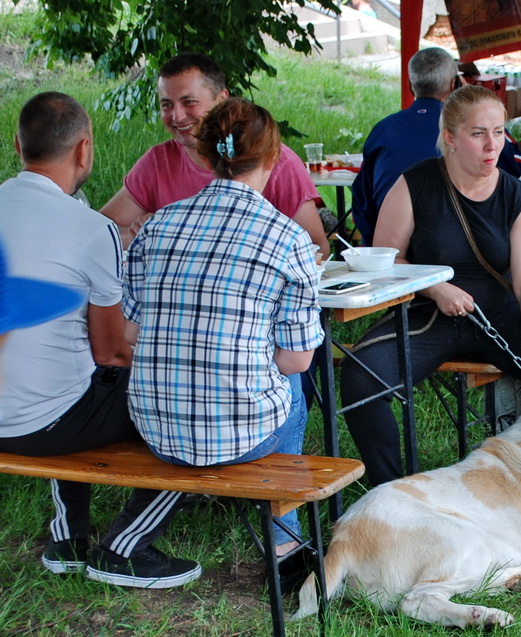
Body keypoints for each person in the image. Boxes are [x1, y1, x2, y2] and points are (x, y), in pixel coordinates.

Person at [0, 92, 200, 588]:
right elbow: (109, 352)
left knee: (66, 379)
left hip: (21, 411)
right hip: (38, 423)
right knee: (182, 403)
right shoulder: (92, 229)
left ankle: (68, 539)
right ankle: (126, 549)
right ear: (85, 150)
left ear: (17, 144)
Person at [341, 85, 521, 486]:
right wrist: (436, 287)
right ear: (450, 138)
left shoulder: (514, 194)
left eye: (498, 131)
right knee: (360, 376)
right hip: (428, 314)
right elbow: (386, 261)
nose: (492, 145)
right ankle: (390, 489)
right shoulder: (414, 183)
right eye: (478, 133)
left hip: (501, 315)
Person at [123, 97, 324, 556]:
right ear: (274, 158)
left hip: (154, 430)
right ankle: (284, 538)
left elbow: (132, 331)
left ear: (208, 154)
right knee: (292, 386)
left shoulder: (157, 226)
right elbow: (296, 359)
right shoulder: (289, 238)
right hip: (245, 436)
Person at [100, 52, 331, 257]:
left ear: (221, 99)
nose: (177, 116)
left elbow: (317, 247)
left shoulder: (274, 160)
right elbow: (99, 229)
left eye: (189, 102)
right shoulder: (158, 161)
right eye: (166, 105)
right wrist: (132, 236)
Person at [351, 47, 521, 246]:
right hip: (454, 246)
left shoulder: (382, 130)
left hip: (390, 249)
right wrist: (469, 97)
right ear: (454, 85)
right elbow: (518, 165)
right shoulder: (465, 126)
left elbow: (362, 202)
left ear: (410, 86)